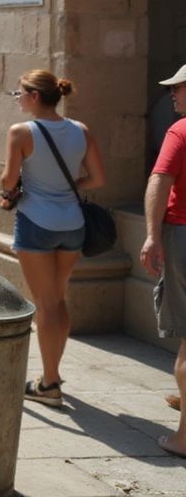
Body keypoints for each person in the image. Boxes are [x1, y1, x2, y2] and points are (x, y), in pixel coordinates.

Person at [0, 70, 104, 408]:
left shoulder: (21, 132)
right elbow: (97, 178)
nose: (17, 100)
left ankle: (48, 382)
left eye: (19, 94)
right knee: (58, 299)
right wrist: (68, 189)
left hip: (36, 222)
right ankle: (52, 373)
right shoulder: (80, 130)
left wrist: (13, 191)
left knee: (44, 304)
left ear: (33, 96)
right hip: (72, 222)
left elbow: (8, 180)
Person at [143, 62, 186, 455]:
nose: (172, 93)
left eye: (179, 87)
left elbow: (160, 180)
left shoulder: (180, 130)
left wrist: (153, 235)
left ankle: (184, 436)